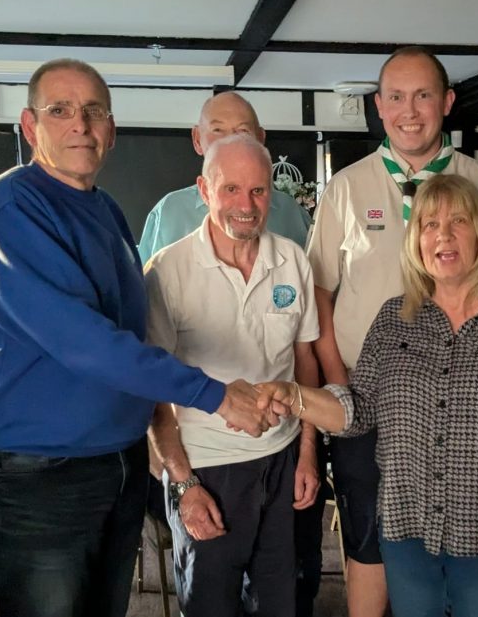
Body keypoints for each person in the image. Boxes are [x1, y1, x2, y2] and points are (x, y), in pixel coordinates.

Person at [0, 59, 269, 617]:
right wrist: (215, 395)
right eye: (60, 110)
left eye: (93, 111)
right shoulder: (10, 209)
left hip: (115, 462)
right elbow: (85, 342)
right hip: (40, 474)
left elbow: (135, 329)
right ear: (29, 126)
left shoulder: (105, 210)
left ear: (112, 129)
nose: (80, 124)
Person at [258, 174, 478, 617]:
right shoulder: (393, 319)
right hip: (406, 530)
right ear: (416, 241)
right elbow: (359, 410)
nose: (443, 235)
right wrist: (293, 395)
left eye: (458, 221)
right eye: (429, 224)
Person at [307, 45, 478, 616]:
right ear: (378, 106)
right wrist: (338, 382)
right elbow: (319, 296)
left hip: (464, 403)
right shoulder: (345, 188)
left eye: (423, 95)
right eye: (396, 97)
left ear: (446, 102)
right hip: (365, 396)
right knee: (368, 531)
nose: (409, 110)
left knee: (466, 532)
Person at [137, 91, 327, 616]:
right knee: (211, 606)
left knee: (284, 603)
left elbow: (305, 364)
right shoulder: (167, 272)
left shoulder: (292, 260)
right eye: (231, 189)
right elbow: (153, 391)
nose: (246, 205)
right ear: (204, 190)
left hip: (282, 461)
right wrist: (184, 485)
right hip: (207, 467)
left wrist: (308, 452)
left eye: (258, 191)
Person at [138, 91, 312, 262]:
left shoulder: (291, 213)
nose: (230, 141)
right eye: (218, 130)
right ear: (197, 139)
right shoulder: (169, 212)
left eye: (243, 131)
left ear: (260, 138)